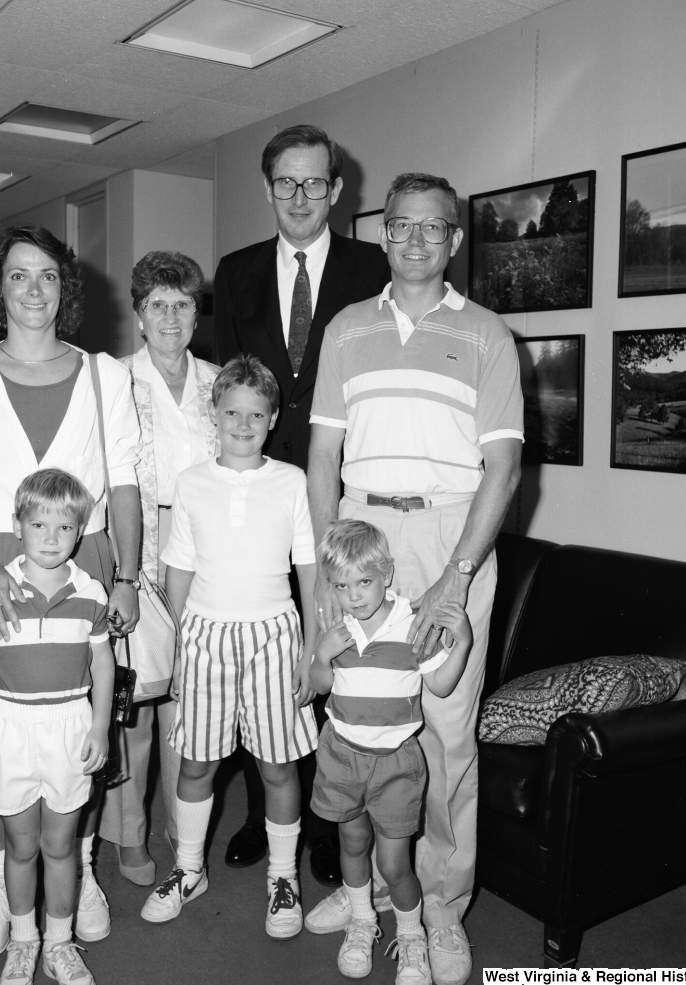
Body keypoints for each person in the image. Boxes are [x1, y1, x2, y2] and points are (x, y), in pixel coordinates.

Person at [306, 173, 524, 985]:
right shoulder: (347, 328)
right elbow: (323, 453)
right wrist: (328, 561)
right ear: (384, 233)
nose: (416, 242)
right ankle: (366, 894)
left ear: (454, 241)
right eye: (402, 227)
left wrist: (455, 578)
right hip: (362, 529)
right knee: (356, 713)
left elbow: (503, 466)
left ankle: (438, 908)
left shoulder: (488, 336)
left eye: (434, 230)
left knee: (443, 727)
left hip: (448, 532)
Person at [0, 224, 142, 960]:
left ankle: (75, 864)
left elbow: (126, 485)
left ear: (65, 286)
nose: (34, 289)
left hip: (84, 559)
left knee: (80, 721)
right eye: (19, 275)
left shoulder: (107, 373)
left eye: (48, 274)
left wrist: (127, 577)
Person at [214, 123, 389, 884]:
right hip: (255, 499)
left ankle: (327, 821)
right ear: (268, 189)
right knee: (263, 658)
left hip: (340, 495)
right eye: (286, 181)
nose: (300, 196)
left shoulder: (374, 267)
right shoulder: (236, 271)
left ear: (338, 190)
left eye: (315, 182)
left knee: (334, 658)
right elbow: (225, 390)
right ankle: (262, 810)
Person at [140, 355, 319, 939]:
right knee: (197, 764)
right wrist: (180, 644)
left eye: (256, 415)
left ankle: (283, 877)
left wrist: (312, 645)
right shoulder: (191, 483)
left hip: (274, 636)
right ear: (213, 415)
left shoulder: (292, 482)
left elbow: (309, 567)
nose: (243, 424)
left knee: (277, 764)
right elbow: (179, 571)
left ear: (271, 420)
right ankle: (189, 870)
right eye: (232, 412)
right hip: (207, 638)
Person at [0, 469, 114, 985]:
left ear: (80, 530)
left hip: (70, 726)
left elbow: (104, 663)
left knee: (60, 847)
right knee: (21, 847)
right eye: (38, 524)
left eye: (65, 527)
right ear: (18, 525)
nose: (51, 538)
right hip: (11, 727)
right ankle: (23, 941)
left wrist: (99, 726)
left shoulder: (90, 592)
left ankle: (59, 942)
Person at [306, 520, 472, 985]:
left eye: (364, 582)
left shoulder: (410, 624)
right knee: (352, 844)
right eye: (341, 585)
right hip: (341, 756)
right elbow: (320, 687)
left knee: (395, 863)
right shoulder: (336, 626)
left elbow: (440, 682)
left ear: (387, 573)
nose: (354, 595)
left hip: (396, 764)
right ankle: (361, 922)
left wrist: (463, 643)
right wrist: (321, 656)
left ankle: (412, 937)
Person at [99, 251, 220, 886]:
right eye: (157, 306)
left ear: (197, 313)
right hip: (136, 551)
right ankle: (128, 835)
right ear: (139, 316)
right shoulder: (112, 381)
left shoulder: (222, 383)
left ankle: (185, 836)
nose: (170, 316)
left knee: (191, 707)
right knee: (136, 705)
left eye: (182, 304)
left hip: (208, 554)